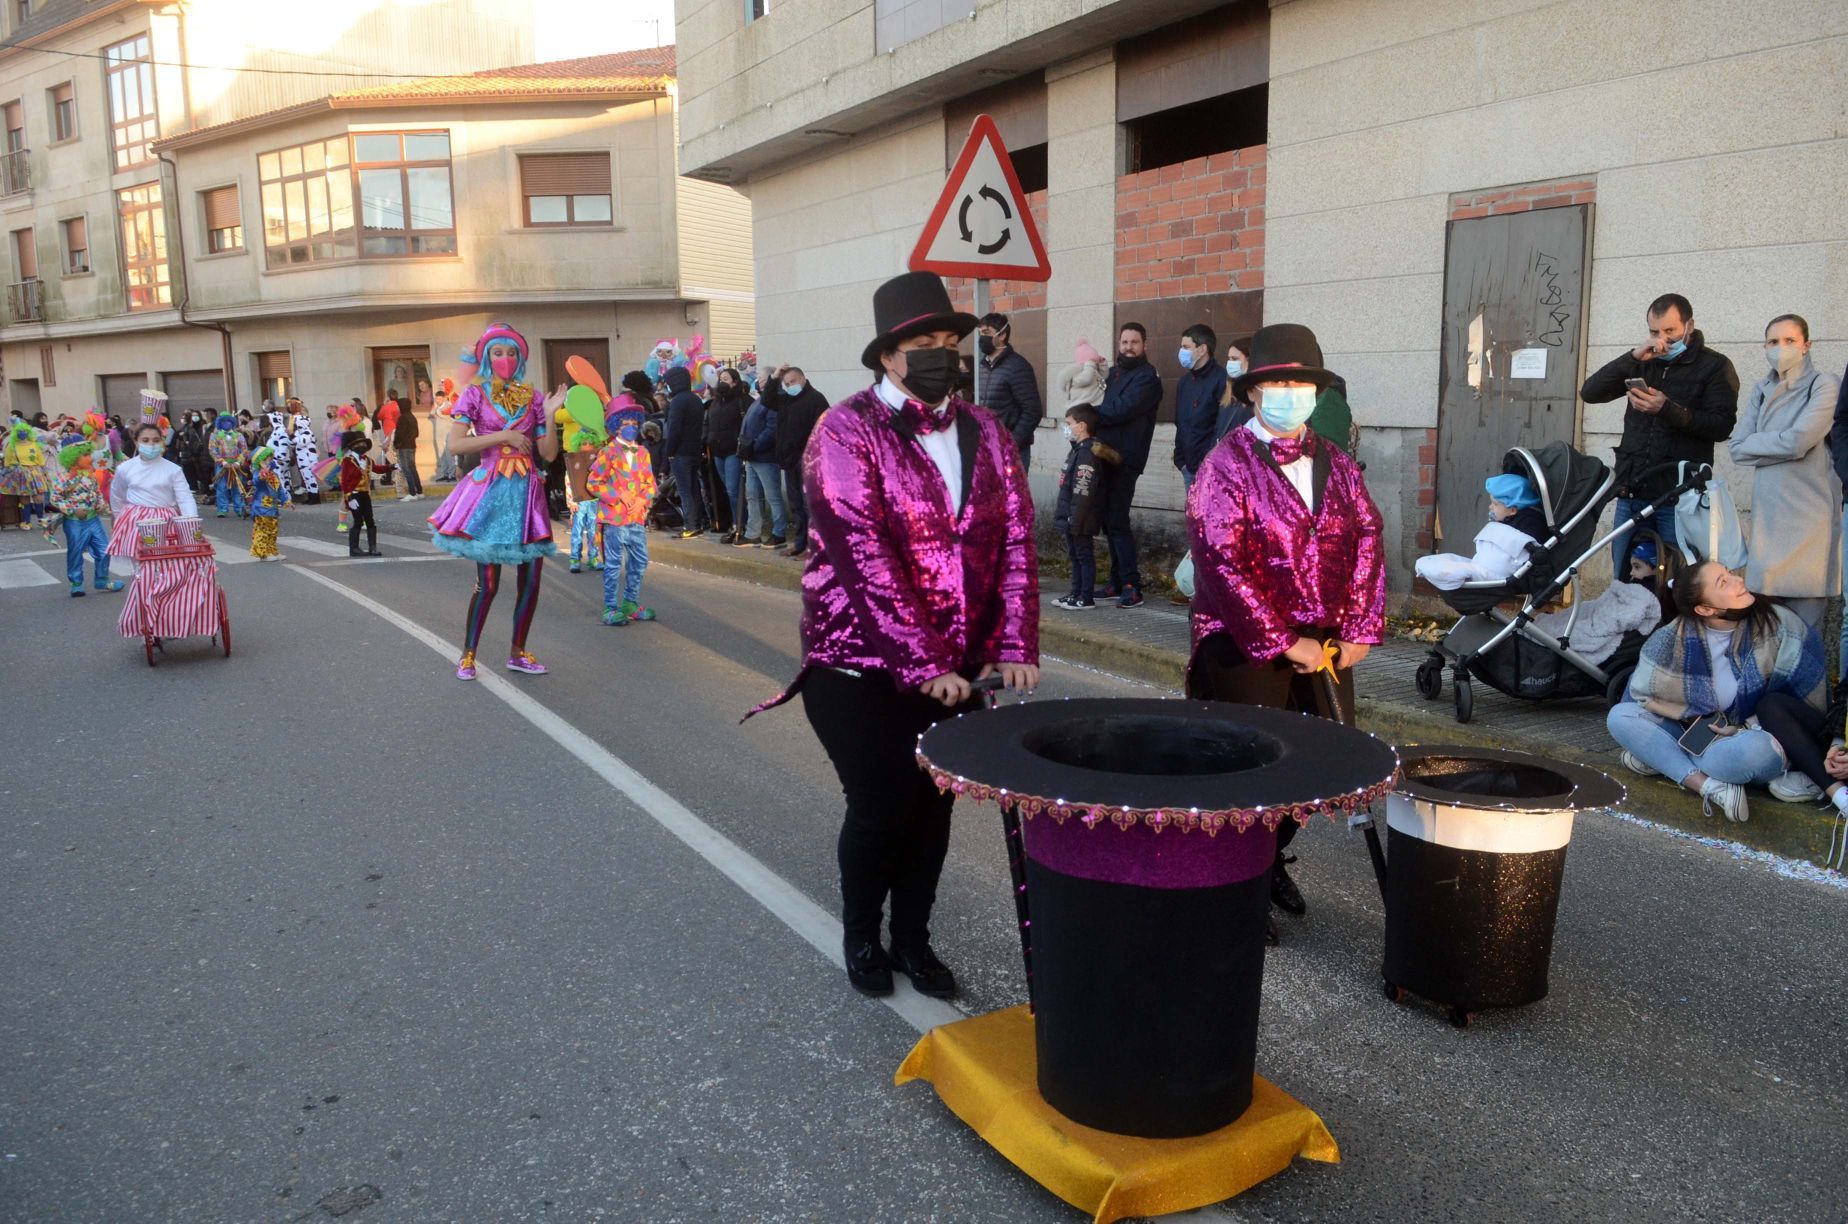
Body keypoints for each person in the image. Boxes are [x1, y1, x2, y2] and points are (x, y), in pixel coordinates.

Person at [750, 271, 1038, 999]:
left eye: (950, 341)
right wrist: (922, 664)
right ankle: (862, 934)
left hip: (960, 668)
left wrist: (1015, 644)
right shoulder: (844, 431)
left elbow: (1016, 545)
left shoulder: (988, 432)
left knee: (932, 811)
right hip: (859, 668)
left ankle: (914, 939)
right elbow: (865, 558)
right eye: (923, 343)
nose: (942, 354)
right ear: (888, 355)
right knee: (881, 808)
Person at [1186, 323, 1385, 941]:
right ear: (1252, 393)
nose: (1288, 392)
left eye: (1299, 382)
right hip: (1243, 641)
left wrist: (1359, 626)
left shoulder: (1338, 462)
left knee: (1325, 764)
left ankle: (1266, 859)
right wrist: (1280, 639)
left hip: (1325, 635)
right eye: (1276, 382)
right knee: (1247, 776)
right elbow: (1220, 562)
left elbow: (1368, 539)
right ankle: (1231, 886)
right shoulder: (1225, 465)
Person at [1608, 559, 1824, 823]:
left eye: (1730, 574)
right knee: (1619, 716)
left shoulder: (1780, 624)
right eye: (1724, 582)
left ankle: (1665, 760)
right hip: (1695, 734)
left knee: (1759, 751)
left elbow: (1802, 704)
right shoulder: (1671, 638)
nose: (1739, 580)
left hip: (1750, 738)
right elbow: (1641, 697)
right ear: (1705, 608)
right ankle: (1710, 786)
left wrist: (1743, 728)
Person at [427, 324, 561, 680]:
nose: (505, 359)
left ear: (520, 358)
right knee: (487, 584)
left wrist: (549, 414)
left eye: (512, 352)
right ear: (487, 356)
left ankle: (518, 652)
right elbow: (456, 445)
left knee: (530, 583)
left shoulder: (533, 397)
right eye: (498, 352)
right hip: (490, 495)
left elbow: (547, 453)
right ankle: (468, 654)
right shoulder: (473, 394)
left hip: (527, 497)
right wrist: (504, 435)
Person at [1582, 293, 1740, 573]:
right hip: (1633, 490)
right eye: (1655, 331)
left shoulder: (1715, 366)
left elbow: (1721, 426)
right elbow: (1590, 392)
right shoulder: (1644, 359)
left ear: (1689, 326)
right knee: (1625, 576)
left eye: (1670, 331)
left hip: (1679, 498)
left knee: (1676, 581)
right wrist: (1631, 357)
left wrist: (1667, 409)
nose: (1663, 339)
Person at [1724, 311, 1840, 633]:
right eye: (1773, 341)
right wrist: (1782, 446)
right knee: (1767, 635)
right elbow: (1736, 448)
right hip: (1769, 522)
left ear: (1806, 345)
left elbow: (1800, 441)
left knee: (1805, 637)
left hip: (1809, 518)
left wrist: (1759, 446)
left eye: (1790, 340)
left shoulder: (1824, 384)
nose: (1781, 347)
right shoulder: (1761, 389)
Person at [108, 421, 214, 640]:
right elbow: (117, 496)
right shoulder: (125, 468)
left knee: (173, 570)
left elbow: (184, 497)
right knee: (143, 574)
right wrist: (119, 520)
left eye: (156, 440)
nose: (151, 445)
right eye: (145, 440)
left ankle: (170, 615)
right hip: (138, 523)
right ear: (136, 442)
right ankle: (146, 619)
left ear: (162, 442)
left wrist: (190, 522)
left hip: (168, 521)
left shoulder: (172, 469)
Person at [1094, 322, 1161, 607]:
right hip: (1102, 455)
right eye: (1124, 342)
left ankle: (1132, 585)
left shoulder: (1148, 379)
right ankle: (1116, 580)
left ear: (1144, 345)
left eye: (1134, 342)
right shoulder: (1112, 374)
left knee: (1118, 521)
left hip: (1126, 459)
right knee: (1109, 522)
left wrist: (1088, 413)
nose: (1128, 347)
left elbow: (1121, 409)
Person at [586, 391, 658, 625]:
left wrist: (642, 500)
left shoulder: (644, 453)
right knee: (614, 564)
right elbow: (594, 482)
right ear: (616, 426)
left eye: (634, 423)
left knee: (640, 561)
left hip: (636, 518)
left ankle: (630, 603)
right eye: (626, 423)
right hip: (615, 519)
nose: (631, 427)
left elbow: (650, 484)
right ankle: (610, 608)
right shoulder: (608, 453)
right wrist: (618, 495)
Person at [1413, 473, 1545, 590]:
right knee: (1438, 562)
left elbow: (1506, 557)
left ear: (1513, 510)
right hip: (1485, 565)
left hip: (1498, 572)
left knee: (1451, 569)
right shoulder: (1511, 521)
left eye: (1495, 504)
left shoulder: (1529, 526)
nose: (1490, 507)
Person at [1051, 404, 1116, 610]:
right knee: (1075, 555)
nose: (1066, 427)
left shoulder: (1087, 453)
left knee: (1083, 555)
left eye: (1069, 423)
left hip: (1081, 516)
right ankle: (1075, 592)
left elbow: (1083, 489)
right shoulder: (1078, 450)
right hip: (1073, 514)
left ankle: (1085, 597)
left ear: (1081, 426)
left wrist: (1075, 518)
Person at [49, 443, 120, 596]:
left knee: (104, 549)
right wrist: (72, 509)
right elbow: (54, 498)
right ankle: (76, 583)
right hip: (74, 521)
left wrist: (101, 505)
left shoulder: (91, 475)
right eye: (85, 455)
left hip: (93, 519)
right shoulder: (65, 477)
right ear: (74, 458)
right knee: (75, 551)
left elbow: (98, 493)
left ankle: (101, 579)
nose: (90, 457)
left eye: (89, 454)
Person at [977, 311, 1043, 464]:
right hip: (985, 446)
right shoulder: (980, 366)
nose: (982, 338)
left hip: (1011, 451)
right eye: (980, 333)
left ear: (1002, 335)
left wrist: (1012, 443)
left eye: (986, 333)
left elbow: (1032, 410)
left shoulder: (1018, 367)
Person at [1172, 323, 1227, 492]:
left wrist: (1208, 460)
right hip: (1188, 468)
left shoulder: (1222, 380)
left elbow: (1222, 427)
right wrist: (1180, 460)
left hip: (1212, 469)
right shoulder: (1184, 382)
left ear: (1202, 349)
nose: (1181, 351)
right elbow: (1180, 423)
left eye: (1186, 347)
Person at [738, 370, 786, 548]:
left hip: (765, 456)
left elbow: (772, 429)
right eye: (758, 379)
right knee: (752, 495)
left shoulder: (772, 402)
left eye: (763, 379)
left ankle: (779, 532)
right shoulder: (759, 400)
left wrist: (754, 445)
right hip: (751, 455)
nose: (759, 382)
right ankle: (753, 533)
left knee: (772, 496)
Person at [661, 365, 709, 539]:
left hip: (680, 452)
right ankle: (699, 522)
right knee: (694, 488)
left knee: (684, 490)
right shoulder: (695, 399)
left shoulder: (677, 402)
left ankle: (690, 525)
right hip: (694, 450)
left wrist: (670, 452)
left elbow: (674, 430)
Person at [705, 366, 748, 544]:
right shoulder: (715, 402)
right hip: (717, 451)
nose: (722, 381)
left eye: (726, 379)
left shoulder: (742, 401)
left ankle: (740, 524)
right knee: (727, 489)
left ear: (735, 382)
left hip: (733, 451)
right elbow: (708, 422)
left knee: (733, 490)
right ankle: (734, 522)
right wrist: (707, 439)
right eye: (721, 378)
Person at [339, 432, 386, 558]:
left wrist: (392, 467)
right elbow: (344, 481)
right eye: (359, 444)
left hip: (365, 494)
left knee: (370, 520)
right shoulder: (348, 461)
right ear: (353, 446)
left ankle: (373, 547)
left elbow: (377, 468)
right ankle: (354, 548)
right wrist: (349, 497)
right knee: (358, 521)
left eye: (363, 443)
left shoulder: (368, 460)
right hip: (354, 495)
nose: (362, 445)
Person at [248, 445, 290, 561]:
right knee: (262, 531)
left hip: (272, 508)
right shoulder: (258, 473)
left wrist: (286, 501)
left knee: (273, 530)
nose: (270, 461)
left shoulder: (274, 475)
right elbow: (257, 482)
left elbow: (280, 489)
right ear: (260, 461)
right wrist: (263, 471)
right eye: (268, 459)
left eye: (271, 459)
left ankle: (273, 551)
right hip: (261, 508)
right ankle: (263, 554)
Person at [208, 413, 249, 519]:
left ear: (232, 423)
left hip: (236, 466)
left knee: (237, 486)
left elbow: (244, 450)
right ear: (219, 424)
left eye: (229, 421)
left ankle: (240, 509)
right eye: (223, 422)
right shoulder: (215, 436)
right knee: (221, 487)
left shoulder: (239, 436)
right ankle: (222, 509)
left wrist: (238, 462)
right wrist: (222, 462)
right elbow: (212, 450)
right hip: (222, 466)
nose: (226, 424)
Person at [288, 401, 322, 504]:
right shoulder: (298, 431)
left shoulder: (307, 431)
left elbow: (302, 442)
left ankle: (315, 497)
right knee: (306, 478)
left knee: (310, 478)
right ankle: (310, 496)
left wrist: (293, 437)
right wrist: (291, 436)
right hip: (302, 458)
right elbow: (293, 443)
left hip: (308, 459)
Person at [393, 391, 422, 499]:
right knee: (413, 468)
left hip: (404, 446)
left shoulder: (402, 418)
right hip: (412, 445)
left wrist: (397, 443)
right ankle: (419, 491)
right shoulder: (412, 417)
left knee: (407, 469)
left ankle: (412, 493)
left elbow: (399, 433)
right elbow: (416, 433)